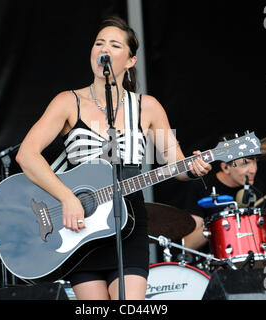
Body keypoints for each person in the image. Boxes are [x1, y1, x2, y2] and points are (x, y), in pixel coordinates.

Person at [15, 16, 211, 300]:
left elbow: (175, 164)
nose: (103, 48)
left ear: (130, 61)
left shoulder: (148, 107)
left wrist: (193, 169)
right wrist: (68, 198)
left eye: (114, 44)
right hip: (81, 222)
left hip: (128, 220)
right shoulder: (67, 101)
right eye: (99, 43)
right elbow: (27, 155)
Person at [182, 152, 266, 251]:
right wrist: (221, 221)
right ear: (225, 167)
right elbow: (188, 243)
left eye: (255, 162)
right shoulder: (201, 186)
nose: (253, 170)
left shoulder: (256, 186)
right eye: (245, 164)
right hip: (215, 260)